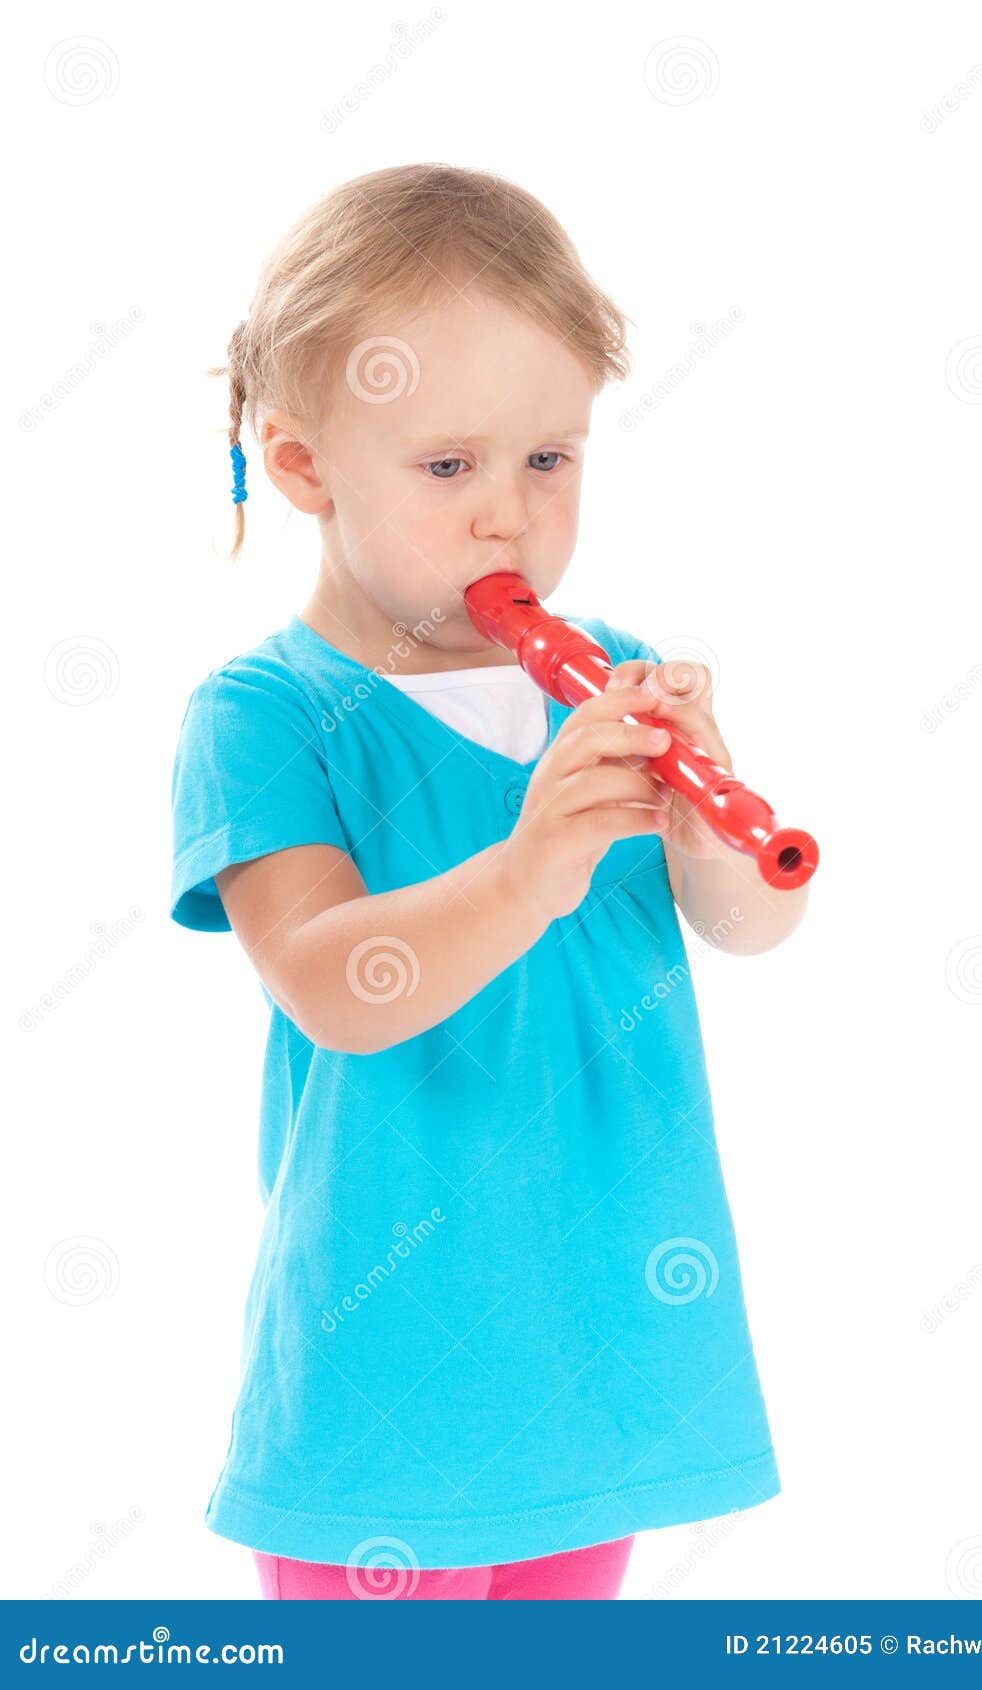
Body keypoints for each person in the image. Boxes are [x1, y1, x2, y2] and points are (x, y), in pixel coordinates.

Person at [170, 164, 808, 1601]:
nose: (507, 517)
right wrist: (529, 863)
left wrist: (710, 835)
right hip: (387, 1368)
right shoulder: (264, 713)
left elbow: (749, 923)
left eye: (550, 458)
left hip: (599, 1348)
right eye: (448, 467)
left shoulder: (612, 671)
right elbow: (336, 982)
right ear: (304, 467)